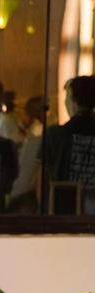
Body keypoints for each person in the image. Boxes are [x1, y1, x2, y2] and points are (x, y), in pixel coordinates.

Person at [44, 75, 95, 214]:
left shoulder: (55, 134)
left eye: (66, 97)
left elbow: (43, 177)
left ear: (73, 101)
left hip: (65, 210)